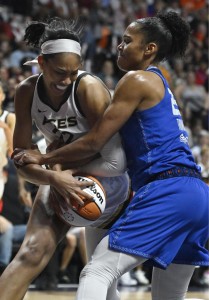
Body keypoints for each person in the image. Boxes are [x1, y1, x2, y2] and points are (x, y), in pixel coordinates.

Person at [15, 11, 209, 300]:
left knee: (96, 273)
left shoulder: (136, 79)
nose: (119, 46)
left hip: (166, 188)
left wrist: (43, 158)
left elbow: (94, 141)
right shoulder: (159, 83)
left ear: (149, 49)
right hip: (197, 195)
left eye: (127, 40)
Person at [0, 17, 131, 300]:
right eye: (60, 72)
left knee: (102, 276)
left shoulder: (88, 88)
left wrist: (49, 160)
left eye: (74, 72)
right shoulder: (26, 92)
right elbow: (22, 161)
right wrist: (52, 176)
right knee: (32, 252)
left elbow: (106, 149)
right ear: (41, 63)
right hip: (62, 175)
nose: (67, 79)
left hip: (112, 177)